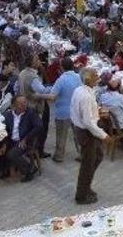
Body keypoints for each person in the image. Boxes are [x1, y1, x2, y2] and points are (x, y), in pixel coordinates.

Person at [70, 67, 109, 205]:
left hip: (84, 129)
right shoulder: (85, 95)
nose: (98, 77)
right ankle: (81, 195)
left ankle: (86, 187)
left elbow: (83, 113)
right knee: (87, 164)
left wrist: (97, 112)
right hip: (87, 132)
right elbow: (88, 122)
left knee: (98, 156)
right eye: (95, 76)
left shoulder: (81, 91)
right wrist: (104, 135)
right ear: (88, 79)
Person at [0, 95, 42, 182]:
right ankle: (5, 170)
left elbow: (38, 126)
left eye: (25, 102)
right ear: (14, 106)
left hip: (25, 140)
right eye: (20, 104)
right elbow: (5, 130)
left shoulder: (31, 113)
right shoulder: (8, 115)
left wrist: (26, 139)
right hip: (11, 140)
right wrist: (4, 144)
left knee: (12, 154)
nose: (24, 105)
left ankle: (29, 170)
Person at [16, 53, 53, 157]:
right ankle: (38, 150)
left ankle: (31, 148)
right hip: (34, 106)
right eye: (37, 60)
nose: (39, 62)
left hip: (26, 103)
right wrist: (55, 88)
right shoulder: (32, 76)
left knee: (31, 128)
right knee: (42, 127)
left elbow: (18, 88)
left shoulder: (23, 72)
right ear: (32, 63)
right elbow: (42, 90)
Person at [48, 57, 82, 163]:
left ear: (62, 67)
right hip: (76, 110)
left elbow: (52, 96)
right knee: (78, 135)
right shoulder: (78, 77)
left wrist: (40, 95)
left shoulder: (61, 79)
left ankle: (59, 156)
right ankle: (82, 154)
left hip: (63, 112)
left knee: (61, 135)